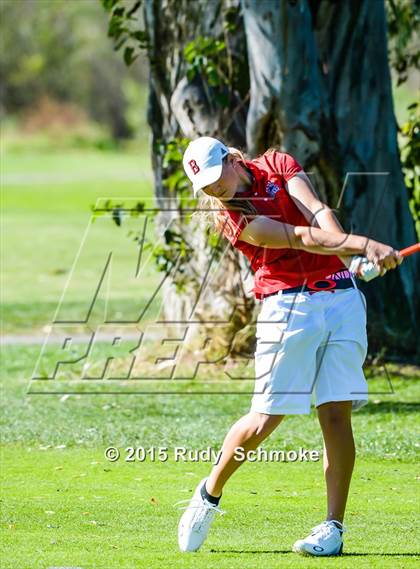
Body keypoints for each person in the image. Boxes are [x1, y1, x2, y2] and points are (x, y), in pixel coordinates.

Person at [176, 136, 403, 556]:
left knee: (337, 413)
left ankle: (333, 528)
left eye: (214, 177)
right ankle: (209, 494)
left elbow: (316, 212)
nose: (213, 190)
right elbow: (299, 236)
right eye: (204, 186)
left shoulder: (278, 163)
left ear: (231, 159)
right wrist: (361, 245)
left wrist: (347, 260)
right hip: (287, 308)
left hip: (341, 301)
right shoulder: (233, 217)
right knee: (266, 419)